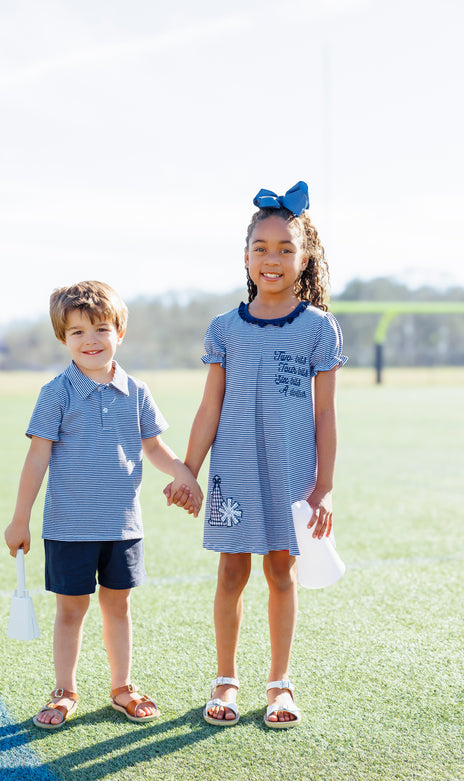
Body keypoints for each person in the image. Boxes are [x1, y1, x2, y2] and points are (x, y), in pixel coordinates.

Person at [166, 182, 346, 728]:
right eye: (262, 248)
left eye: (286, 248)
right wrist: (189, 472)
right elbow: (208, 407)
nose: (273, 259)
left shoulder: (319, 328)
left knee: (281, 574)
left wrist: (325, 487)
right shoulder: (224, 328)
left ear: (305, 256)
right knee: (229, 574)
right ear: (246, 256)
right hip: (233, 477)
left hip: (293, 478)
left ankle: (280, 684)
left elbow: (325, 416)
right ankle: (224, 680)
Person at [5, 280, 202, 729]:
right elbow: (37, 458)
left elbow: (153, 447)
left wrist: (184, 473)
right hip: (69, 527)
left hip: (124, 527)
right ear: (63, 339)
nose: (90, 340)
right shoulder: (57, 392)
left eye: (100, 328)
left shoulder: (136, 391)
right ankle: (65, 690)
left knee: (118, 606)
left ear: (120, 332)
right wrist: (20, 519)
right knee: (71, 611)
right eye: (77, 332)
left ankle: (122, 687)